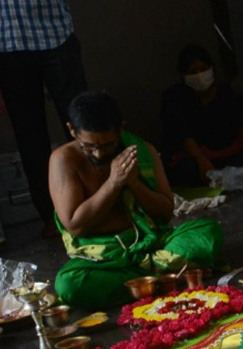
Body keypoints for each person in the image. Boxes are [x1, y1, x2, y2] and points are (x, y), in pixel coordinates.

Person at [48, 90, 223, 310]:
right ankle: (164, 278)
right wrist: (113, 183)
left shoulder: (141, 150)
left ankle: (143, 284)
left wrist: (134, 184)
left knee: (208, 231)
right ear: (72, 131)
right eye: (89, 147)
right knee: (69, 285)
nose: (99, 154)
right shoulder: (63, 160)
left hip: (152, 246)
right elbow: (75, 225)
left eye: (107, 145)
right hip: (102, 261)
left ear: (120, 129)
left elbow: (165, 213)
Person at [0, 0, 88, 238]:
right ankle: (51, 217)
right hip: (8, 46)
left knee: (83, 125)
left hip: (53, 34)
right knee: (30, 139)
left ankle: (102, 203)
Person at [160, 44, 243, 187]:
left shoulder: (225, 92)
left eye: (203, 69)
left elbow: (240, 120)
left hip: (226, 152)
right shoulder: (175, 97)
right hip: (196, 157)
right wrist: (200, 159)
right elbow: (182, 133)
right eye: (192, 72)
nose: (199, 75)